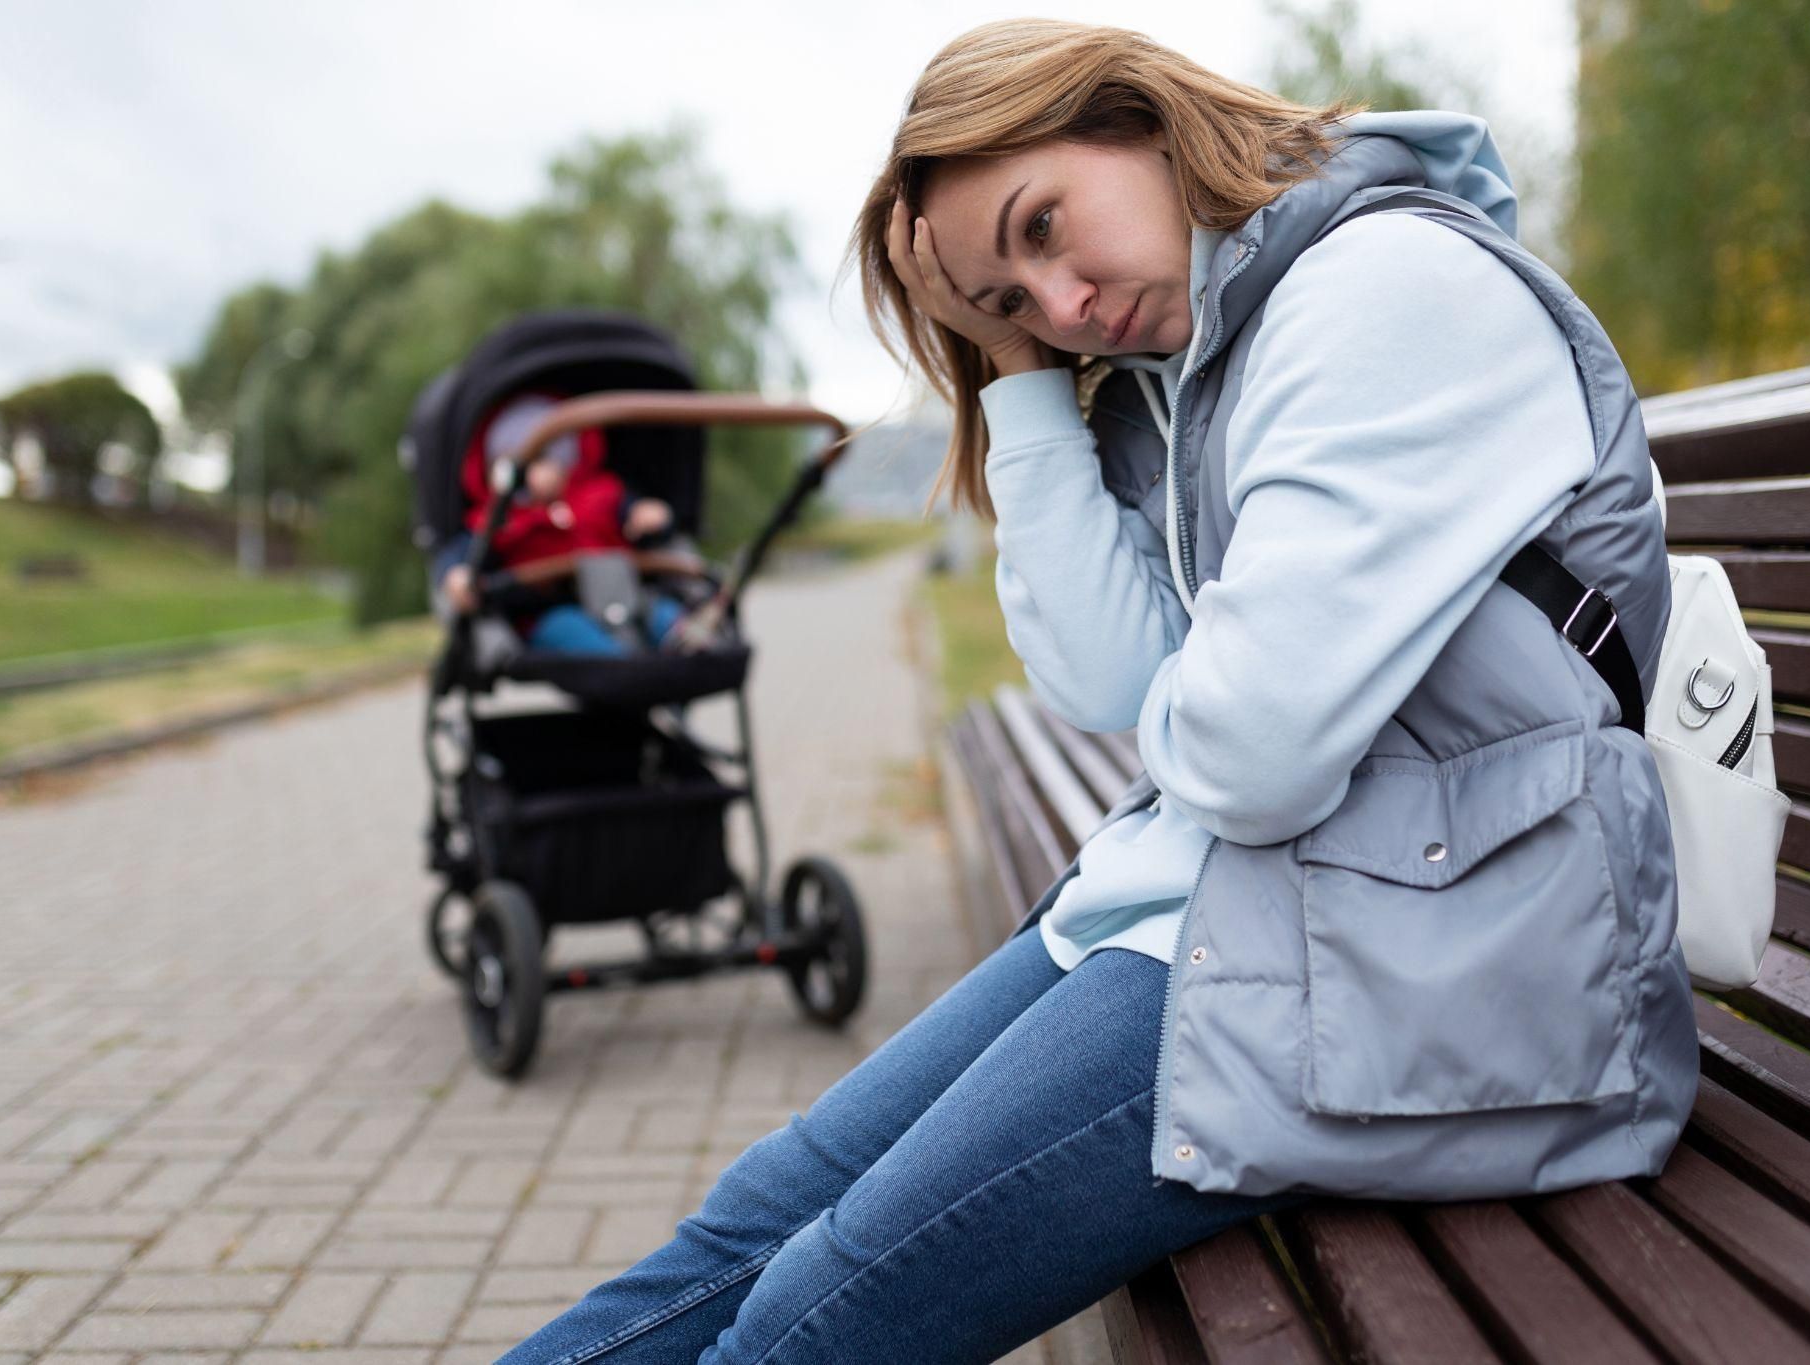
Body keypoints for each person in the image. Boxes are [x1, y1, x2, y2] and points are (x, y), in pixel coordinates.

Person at [500, 19, 1695, 1364]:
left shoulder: (1384, 294)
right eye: (1006, 297)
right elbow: (1107, 678)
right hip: (1249, 901)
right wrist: (1015, 381)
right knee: (751, 1222)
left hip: (1434, 952)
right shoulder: (1178, 367)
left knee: (806, 1322)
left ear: (1135, 114)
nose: (1061, 302)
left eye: (1045, 224)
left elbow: (1248, 754)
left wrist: (1207, 700)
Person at [436, 393, 685, 654]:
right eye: (523, 465)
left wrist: (650, 515)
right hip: (549, 610)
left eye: (542, 459)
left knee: (664, 614)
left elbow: (641, 520)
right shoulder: (498, 517)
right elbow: (465, 551)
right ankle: (625, 666)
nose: (534, 474)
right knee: (573, 633)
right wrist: (455, 573)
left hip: (627, 595)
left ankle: (692, 643)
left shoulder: (601, 492)